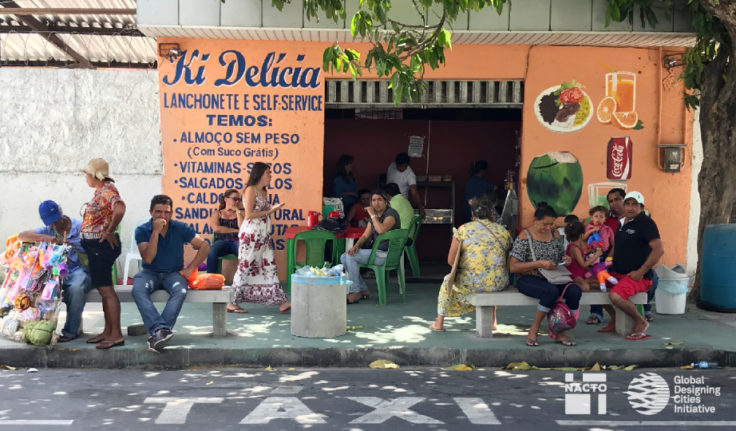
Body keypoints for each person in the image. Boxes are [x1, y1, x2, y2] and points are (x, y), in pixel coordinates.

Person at [133, 195, 210, 352]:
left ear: (171, 213)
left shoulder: (179, 228)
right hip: (150, 272)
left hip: (173, 273)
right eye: (158, 212)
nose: (162, 216)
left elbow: (204, 246)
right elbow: (148, 258)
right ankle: (160, 329)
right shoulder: (142, 230)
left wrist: (190, 268)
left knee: (180, 290)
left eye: (166, 212)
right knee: (138, 289)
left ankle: (158, 331)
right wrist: (155, 232)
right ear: (151, 212)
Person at [429, 196, 512, 332]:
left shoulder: (463, 229)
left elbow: (451, 261)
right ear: (491, 214)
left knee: (446, 282)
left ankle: (438, 323)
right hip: (499, 282)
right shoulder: (502, 231)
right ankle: (493, 321)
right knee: (492, 275)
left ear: (473, 214)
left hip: (471, 282)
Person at [18, 201, 92, 343]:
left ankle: (70, 331)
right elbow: (22, 236)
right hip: (55, 274)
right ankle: (38, 329)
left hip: (77, 271)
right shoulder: (48, 229)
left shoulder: (79, 227)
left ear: (61, 212)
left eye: (56, 219)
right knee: (34, 286)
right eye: (50, 222)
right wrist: (45, 238)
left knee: (76, 289)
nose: (54, 224)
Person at [509, 203, 580, 347]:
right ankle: (534, 328)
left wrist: (566, 260)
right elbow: (513, 267)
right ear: (535, 220)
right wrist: (539, 264)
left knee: (575, 291)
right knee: (551, 291)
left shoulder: (555, 234)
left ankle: (561, 331)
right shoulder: (525, 237)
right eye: (544, 224)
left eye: (551, 224)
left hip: (553, 277)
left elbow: (560, 256)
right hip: (528, 278)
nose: (548, 227)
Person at [597, 192, 664, 340]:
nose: (630, 207)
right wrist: (606, 263)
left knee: (615, 296)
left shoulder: (646, 223)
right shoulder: (623, 222)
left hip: (638, 276)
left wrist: (641, 271)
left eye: (635, 204)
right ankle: (614, 319)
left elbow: (658, 249)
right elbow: (618, 247)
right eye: (628, 204)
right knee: (594, 283)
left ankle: (640, 322)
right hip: (619, 273)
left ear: (641, 207)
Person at [231, 162, 291, 314]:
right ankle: (231, 301)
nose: (270, 176)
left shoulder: (264, 191)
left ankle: (281, 302)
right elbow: (249, 215)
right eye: (268, 173)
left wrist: (270, 211)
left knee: (269, 266)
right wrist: (271, 211)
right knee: (246, 265)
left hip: (263, 235)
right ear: (260, 174)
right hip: (251, 235)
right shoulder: (250, 190)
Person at [79, 159, 126, 350]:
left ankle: (116, 335)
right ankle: (108, 331)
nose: (86, 178)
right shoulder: (101, 191)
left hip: (101, 248)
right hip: (96, 248)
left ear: (95, 175)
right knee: (104, 291)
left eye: (87, 174)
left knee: (107, 292)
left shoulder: (107, 189)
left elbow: (120, 208)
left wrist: (110, 231)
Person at [341, 189, 401, 304]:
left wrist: (373, 215)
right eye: (373, 200)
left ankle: (355, 291)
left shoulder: (391, 214)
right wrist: (356, 245)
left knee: (350, 257)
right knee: (345, 256)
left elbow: (381, 229)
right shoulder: (374, 216)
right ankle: (363, 289)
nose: (376, 203)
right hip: (377, 253)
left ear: (386, 201)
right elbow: (364, 236)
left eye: (379, 200)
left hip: (386, 255)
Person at [206, 189, 242, 278]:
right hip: (221, 241)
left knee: (245, 252)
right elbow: (216, 228)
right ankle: (211, 278)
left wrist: (237, 211)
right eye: (234, 199)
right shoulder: (218, 213)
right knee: (211, 250)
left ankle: (244, 281)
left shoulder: (241, 212)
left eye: (239, 199)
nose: (237, 201)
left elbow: (242, 227)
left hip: (237, 241)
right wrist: (236, 231)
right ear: (226, 199)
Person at [564, 221, 601, 293]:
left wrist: (592, 230)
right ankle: (569, 285)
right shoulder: (574, 248)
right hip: (575, 275)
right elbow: (583, 264)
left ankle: (584, 282)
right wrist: (597, 255)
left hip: (582, 274)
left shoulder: (578, 245)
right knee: (585, 288)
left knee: (600, 283)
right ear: (581, 235)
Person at [386, 153, 425, 217]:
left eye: (404, 166)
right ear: (396, 164)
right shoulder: (391, 166)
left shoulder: (410, 175)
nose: (402, 168)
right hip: (388, 202)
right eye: (400, 166)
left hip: (400, 204)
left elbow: (414, 192)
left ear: (408, 164)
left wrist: (420, 207)